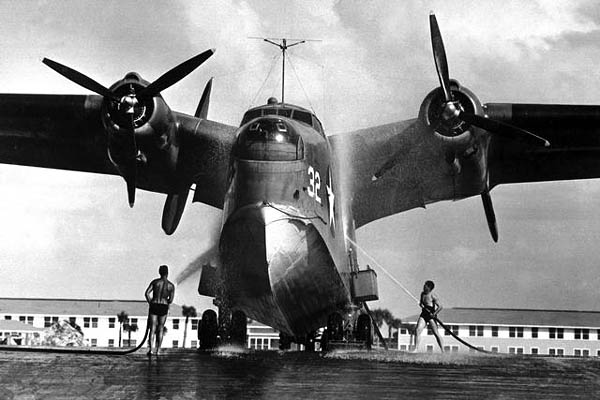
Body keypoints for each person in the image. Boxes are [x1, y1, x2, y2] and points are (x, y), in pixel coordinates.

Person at [145, 264, 175, 355]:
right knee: (161, 328)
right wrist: (166, 301)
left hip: (154, 305)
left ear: (159, 272)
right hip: (163, 306)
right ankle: (158, 350)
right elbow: (171, 300)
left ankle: (150, 350)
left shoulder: (155, 282)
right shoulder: (171, 285)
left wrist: (151, 302)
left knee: (152, 328)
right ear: (167, 273)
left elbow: (146, 293)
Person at [413, 280, 444, 353]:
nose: (424, 287)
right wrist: (421, 304)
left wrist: (434, 313)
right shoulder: (422, 294)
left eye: (425, 286)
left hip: (431, 315)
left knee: (436, 333)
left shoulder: (433, 296)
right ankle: (416, 349)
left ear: (429, 288)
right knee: (417, 330)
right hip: (424, 314)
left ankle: (443, 350)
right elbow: (422, 303)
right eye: (424, 285)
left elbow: (440, 307)